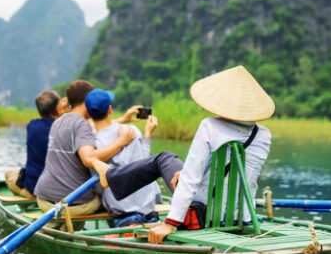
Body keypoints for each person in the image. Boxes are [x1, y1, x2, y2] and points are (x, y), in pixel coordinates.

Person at [92, 65, 273, 244]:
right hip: (241, 217)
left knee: (163, 159)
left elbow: (191, 179)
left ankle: (109, 176)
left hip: (202, 215)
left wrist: (170, 223)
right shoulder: (264, 135)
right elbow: (239, 175)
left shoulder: (210, 126)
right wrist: (186, 172)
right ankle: (110, 176)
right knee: (173, 165)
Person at [34, 80, 136, 220]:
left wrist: (122, 120)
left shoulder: (59, 121)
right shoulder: (81, 124)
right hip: (71, 205)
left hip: (44, 199)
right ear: (87, 101)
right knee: (111, 198)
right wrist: (121, 142)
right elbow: (88, 159)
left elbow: (92, 128)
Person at [86, 88, 183, 227]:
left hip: (120, 211)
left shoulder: (91, 144)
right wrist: (147, 134)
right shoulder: (131, 131)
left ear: (89, 113)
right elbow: (145, 164)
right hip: (147, 208)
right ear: (110, 109)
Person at [5, 89, 62, 198]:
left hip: (33, 187)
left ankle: (26, 193)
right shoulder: (63, 128)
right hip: (56, 188)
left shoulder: (31, 126)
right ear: (57, 109)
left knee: (8, 174)